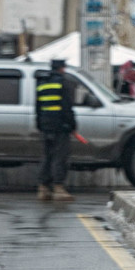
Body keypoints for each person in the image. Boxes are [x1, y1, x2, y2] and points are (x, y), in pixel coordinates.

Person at [35, 58, 77, 202]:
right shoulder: (63, 82)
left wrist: (40, 124)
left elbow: (38, 107)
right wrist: (71, 125)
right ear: (61, 68)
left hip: (45, 126)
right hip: (60, 127)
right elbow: (67, 107)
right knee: (60, 157)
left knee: (47, 157)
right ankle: (59, 188)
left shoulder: (41, 83)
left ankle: (43, 189)